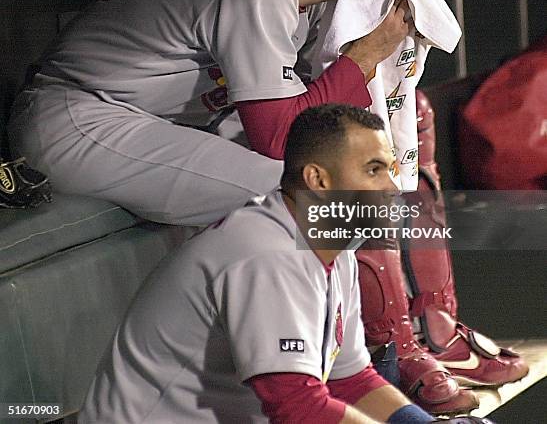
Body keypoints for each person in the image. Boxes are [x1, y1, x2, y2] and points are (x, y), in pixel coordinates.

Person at [8, 0, 413, 227]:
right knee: (311, 197)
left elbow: (305, 106)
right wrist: (364, 56)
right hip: (78, 114)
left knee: (357, 177)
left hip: (153, 113)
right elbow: (278, 138)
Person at [78, 104, 492, 424]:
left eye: (391, 169)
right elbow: (295, 407)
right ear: (318, 180)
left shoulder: (337, 246)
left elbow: (349, 379)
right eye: (373, 170)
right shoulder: (263, 252)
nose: (391, 187)